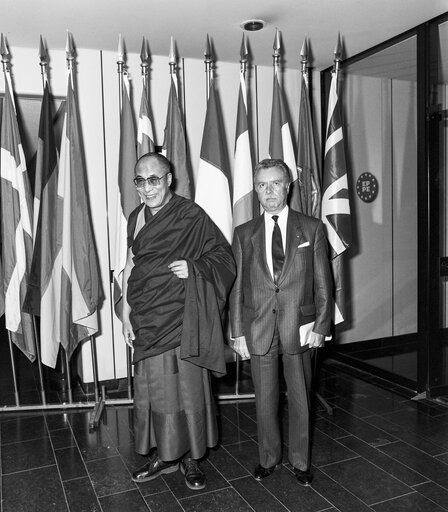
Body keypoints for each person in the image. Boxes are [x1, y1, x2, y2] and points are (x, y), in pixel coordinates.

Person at [122, 152, 235, 490]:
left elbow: (224, 258)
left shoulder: (190, 215)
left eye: (153, 179)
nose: (146, 187)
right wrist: (125, 313)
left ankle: (190, 458)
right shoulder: (135, 217)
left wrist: (194, 268)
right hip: (147, 316)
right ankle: (164, 453)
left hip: (181, 316)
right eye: (139, 181)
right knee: (153, 390)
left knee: (186, 391)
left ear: (168, 178)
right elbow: (131, 264)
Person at [229, 158, 332, 485]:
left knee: (301, 398)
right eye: (262, 184)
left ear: (288, 186)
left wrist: (321, 325)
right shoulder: (244, 233)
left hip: (299, 329)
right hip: (258, 329)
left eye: (275, 183)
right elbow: (237, 287)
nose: (269, 190)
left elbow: (323, 283)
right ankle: (268, 458)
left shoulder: (312, 228)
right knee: (265, 401)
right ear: (256, 189)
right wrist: (237, 332)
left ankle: (301, 462)